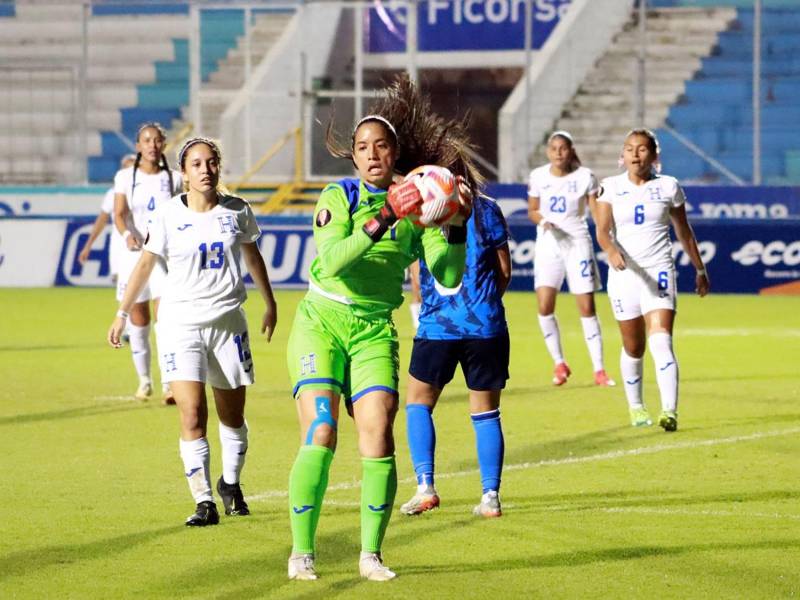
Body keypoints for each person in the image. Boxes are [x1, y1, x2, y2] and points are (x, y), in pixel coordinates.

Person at [285, 75, 477, 582]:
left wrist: (455, 224)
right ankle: (302, 553)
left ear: (395, 153)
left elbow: (449, 276)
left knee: (378, 436)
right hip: (322, 323)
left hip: (372, 330)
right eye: (362, 147)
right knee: (322, 430)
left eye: (381, 146)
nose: (372, 154)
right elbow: (336, 261)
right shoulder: (339, 195)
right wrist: (387, 215)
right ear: (353, 156)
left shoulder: (417, 208)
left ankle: (371, 554)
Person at [107, 137, 277, 526]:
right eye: (196, 164)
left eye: (211, 162)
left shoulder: (238, 211)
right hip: (180, 325)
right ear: (184, 173)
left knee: (232, 417)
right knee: (192, 414)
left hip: (228, 324)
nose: (205, 169)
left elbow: (253, 256)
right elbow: (146, 265)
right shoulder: (168, 215)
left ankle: (230, 483)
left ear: (219, 167)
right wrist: (120, 313)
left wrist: (270, 302)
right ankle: (203, 500)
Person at [400, 182, 511, 519]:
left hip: (438, 325)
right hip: (485, 325)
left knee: (418, 403)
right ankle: (490, 497)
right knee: (485, 412)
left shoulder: (421, 207)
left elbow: (418, 279)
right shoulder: (488, 207)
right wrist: (484, 304)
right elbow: (504, 270)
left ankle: (425, 488)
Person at [595, 128, 709, 431]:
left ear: (654, 156)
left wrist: (700, 269)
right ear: (623, 155)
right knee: (633, 347)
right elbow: (602, 231)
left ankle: (669, 411)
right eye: (630, 148)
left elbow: (684, 232)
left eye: (642, 149)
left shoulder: (670, 187)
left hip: (659, 272)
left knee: (661, 340)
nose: (635, 153)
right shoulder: (610, 187)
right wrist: (610, 250)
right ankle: (636, 407)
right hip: (624, 276)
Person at [527, 131, 615, 387]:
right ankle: (559, 363)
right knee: (544, 306)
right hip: (548, 244)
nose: (558, 153)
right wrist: (543, 221)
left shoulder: (584, 177)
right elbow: (533, 209)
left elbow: (598, 213)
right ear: (547, 151)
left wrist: (608, 238)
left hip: (577, 243)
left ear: (570, 150)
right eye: (553, 148)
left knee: (587, 307)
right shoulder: (538, 176)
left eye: (562, 148)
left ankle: (599, 369)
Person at [113, 123, 182, 404]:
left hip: (163, 258)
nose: (152, 145)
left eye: (157, 140)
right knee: (138, 321)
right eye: (146, 140)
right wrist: (128, 234)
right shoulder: (125, 177)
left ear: (163, 144)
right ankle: (145, 381)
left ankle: (169, 384)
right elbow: (119, 213)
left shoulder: (175, 179)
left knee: (164, 320)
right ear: (138, 145)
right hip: (135, 256)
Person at [78, 153, 137, 278]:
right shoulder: (113, 194)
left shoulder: (146, 191)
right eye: (127, 169)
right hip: (120, 245)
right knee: (123, 287)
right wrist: (88, 246)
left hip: (140, 244)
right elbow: (101, 220)